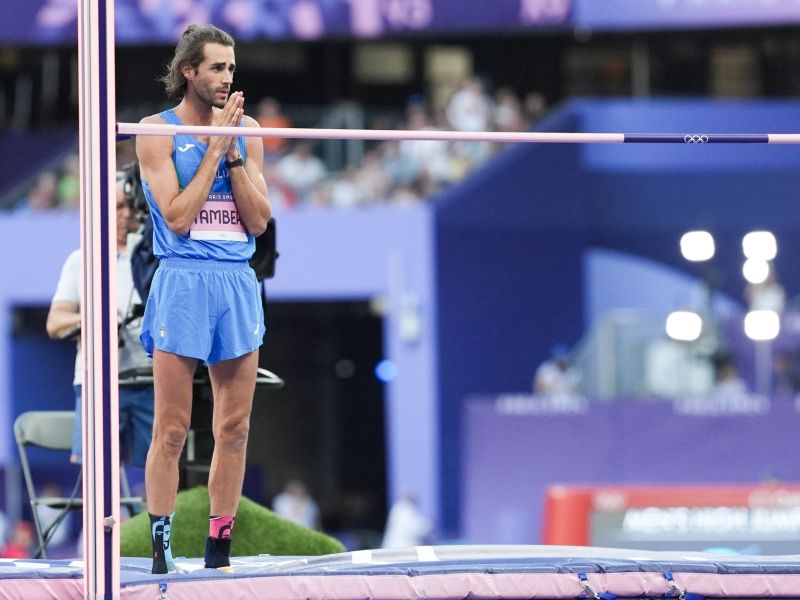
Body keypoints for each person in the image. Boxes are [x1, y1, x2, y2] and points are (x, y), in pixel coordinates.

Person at [135, 24, 270, 574]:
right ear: (188, 71)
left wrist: (234, 152)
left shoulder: (247, 130)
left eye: (231, 69)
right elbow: (179, 217)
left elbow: (258, 221)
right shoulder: (153, 131)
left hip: (236, 283)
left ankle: (219, 552)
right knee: (171, 428)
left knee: (234, 429)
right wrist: (215, 149)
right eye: (216, 68)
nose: (226, 78)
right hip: (183, 280)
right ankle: (161, 554)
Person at [46, 174, 155, 469]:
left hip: (151, 379)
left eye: (132, 206)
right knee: (98, 473)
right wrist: (94, 320)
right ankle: (102, 518)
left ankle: (154, 518)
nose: (127, 214)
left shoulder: (154, 258)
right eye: (118, 207)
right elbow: (55, 322)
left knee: (159, 467)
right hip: (99, 381)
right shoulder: (81, 260)